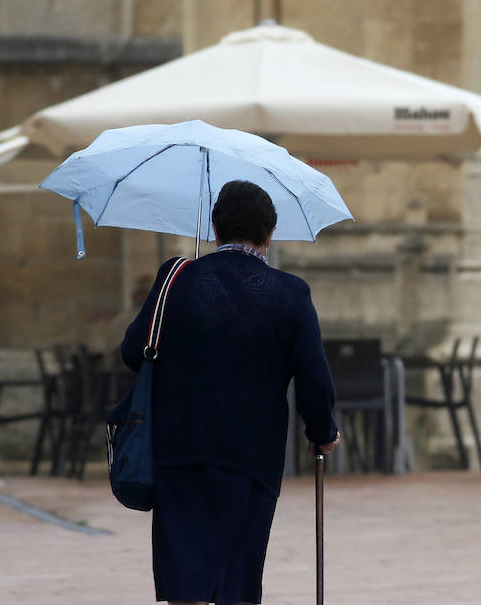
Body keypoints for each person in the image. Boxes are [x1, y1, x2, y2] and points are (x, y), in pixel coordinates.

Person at [120, 180, 340, 605]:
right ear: (269, 233)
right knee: (237, 578)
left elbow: (133, 351)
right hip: (251, 457)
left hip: (180, 449)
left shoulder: (175, 277)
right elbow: (314, 375)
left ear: (215, 230)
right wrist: (322, 430)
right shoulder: (291, 293)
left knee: (185, 579)